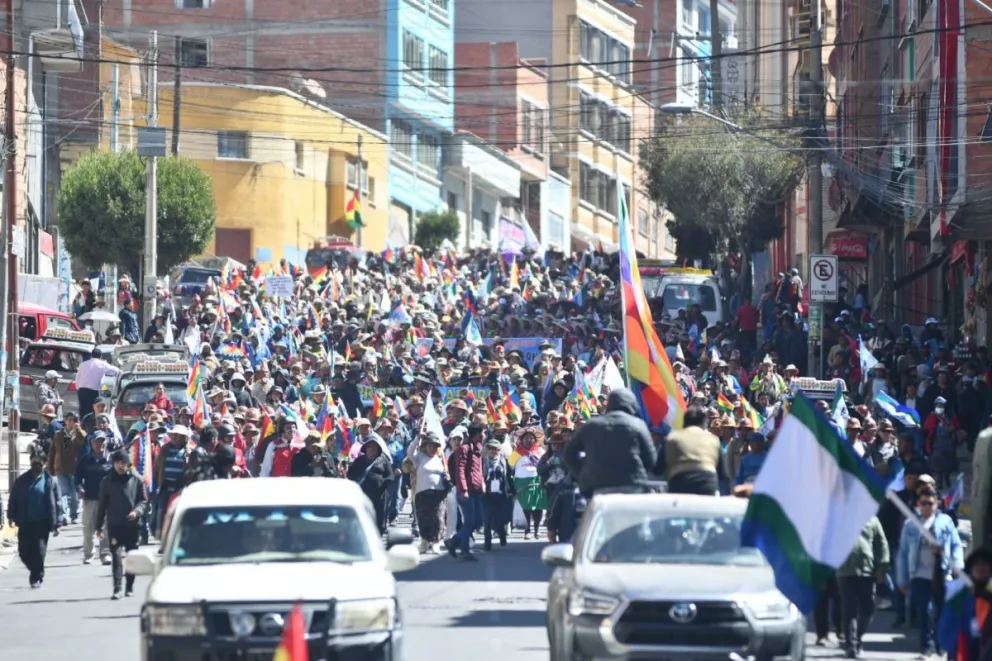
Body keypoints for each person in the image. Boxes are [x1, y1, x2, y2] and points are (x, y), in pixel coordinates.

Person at [896, 486, 965, 658]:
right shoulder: (911, 525)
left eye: (930, 503)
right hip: (919, 573)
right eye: (923, 503)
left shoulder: (946, 522)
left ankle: (940, 644)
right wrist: (902, 579)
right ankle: (926, 645)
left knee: (941, 610)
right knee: (925, 610)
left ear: (937, 504)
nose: (927, 506)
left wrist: (957, 565)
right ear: (918, 505)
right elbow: (903, 553)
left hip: (942, 573)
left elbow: (956, 544)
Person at [563, 388, 657, 497]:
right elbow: (651, 460)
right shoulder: (638, 425)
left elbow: (569, 453)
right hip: (632, 486)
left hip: (596, 487)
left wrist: (583, 473)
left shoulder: (591, 425)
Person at [6, 445, 62, 588]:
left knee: (39, 551)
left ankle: (36, 576)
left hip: (42, 522)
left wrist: (58, 522)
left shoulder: (50, 481)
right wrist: (11, 515)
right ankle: (35, 569)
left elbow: (58, 502)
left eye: (39, 462)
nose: (36, 465)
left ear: (44, 463)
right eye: (33, 462)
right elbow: (14, 498)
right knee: (23, 552)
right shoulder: (22, 481)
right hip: (25, 521)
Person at [96, 449, 149, 599]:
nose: (120, 466)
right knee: (116, 557)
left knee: (131, 557)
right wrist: (98, 527)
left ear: (128, 464)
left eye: (123, 463)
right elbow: (102, 506)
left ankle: (129, 586)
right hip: (115, 525)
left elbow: (143, 500)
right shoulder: (107, 482)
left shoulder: (136, 480)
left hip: (132, 526)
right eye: (118, 463)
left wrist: (136, 512)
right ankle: (117, 588)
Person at [836, 515, 889, 658]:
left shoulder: (872, 519)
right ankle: (851, 645)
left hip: (867, 570)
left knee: (868, 608)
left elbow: (881, 543)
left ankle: (858, 638)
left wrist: (882, 566)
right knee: (849, 610)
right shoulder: (838, 516)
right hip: (845, 570)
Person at [657, 406, 727, 495]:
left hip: (679, 484)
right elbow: (723, 474)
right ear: (704, 424)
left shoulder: (671, 438)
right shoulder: (713, 439)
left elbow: (658, 469)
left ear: (684, 423)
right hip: (708, 484)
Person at [403, 431, 449, 555]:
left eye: (435, 446)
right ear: (425, 446)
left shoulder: (440, 459)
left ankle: (436, 543)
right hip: (422, 493)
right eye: (430, 445)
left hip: (439, 493)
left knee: (438, 519)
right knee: (423, 519)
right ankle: (424, 541)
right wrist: (418, 438)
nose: (432, 448)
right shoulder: (419, 457)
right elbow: (409, 452)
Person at [448, 422, 485, 561]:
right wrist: (463, 489)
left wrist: (482, 485)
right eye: (482, 433)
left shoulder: (478, 449)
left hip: (476, 490)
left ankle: (454, 541)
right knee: (469, 521)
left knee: (477, 521)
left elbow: (479, 470)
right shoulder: (463, 449)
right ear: (475, 434)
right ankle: (465, 551)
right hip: (466, 491)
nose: (483, 435)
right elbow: (460, 470)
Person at [75, 431, 112, 565]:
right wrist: (80, 489)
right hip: (89, 498)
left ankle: (105, 554)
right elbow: (77, 477)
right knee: (88, 528)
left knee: (106, 529)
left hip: (107, 500)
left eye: (103, 441)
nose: (100, 444)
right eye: (97, 441)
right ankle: (88, 554)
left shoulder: (110, 459)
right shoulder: (85, 459)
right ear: (92, 443)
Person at [48, 412, 86, 526]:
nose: (71, 422)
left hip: (75, 468)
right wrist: (50, 466)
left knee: (74, 494)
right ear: (65, 421)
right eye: (69, 420)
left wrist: (78, 429)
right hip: (61, 467)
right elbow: (52, 451)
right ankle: (63, 516)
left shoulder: (79, 433)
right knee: (63, 492)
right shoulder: (58, 434)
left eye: (73, 420)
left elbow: (84, 441)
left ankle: (74, 515)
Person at [74, 347, 120, 422]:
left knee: (83, 411)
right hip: (93, 392)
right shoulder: (102, 364)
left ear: (91, 355)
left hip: (81, 391)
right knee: (93, 411)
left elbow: (77, 378)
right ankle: (91, 427)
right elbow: (116, 371)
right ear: (100, 356)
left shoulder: (82, 364)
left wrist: (78, 389)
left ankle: (83, 426)